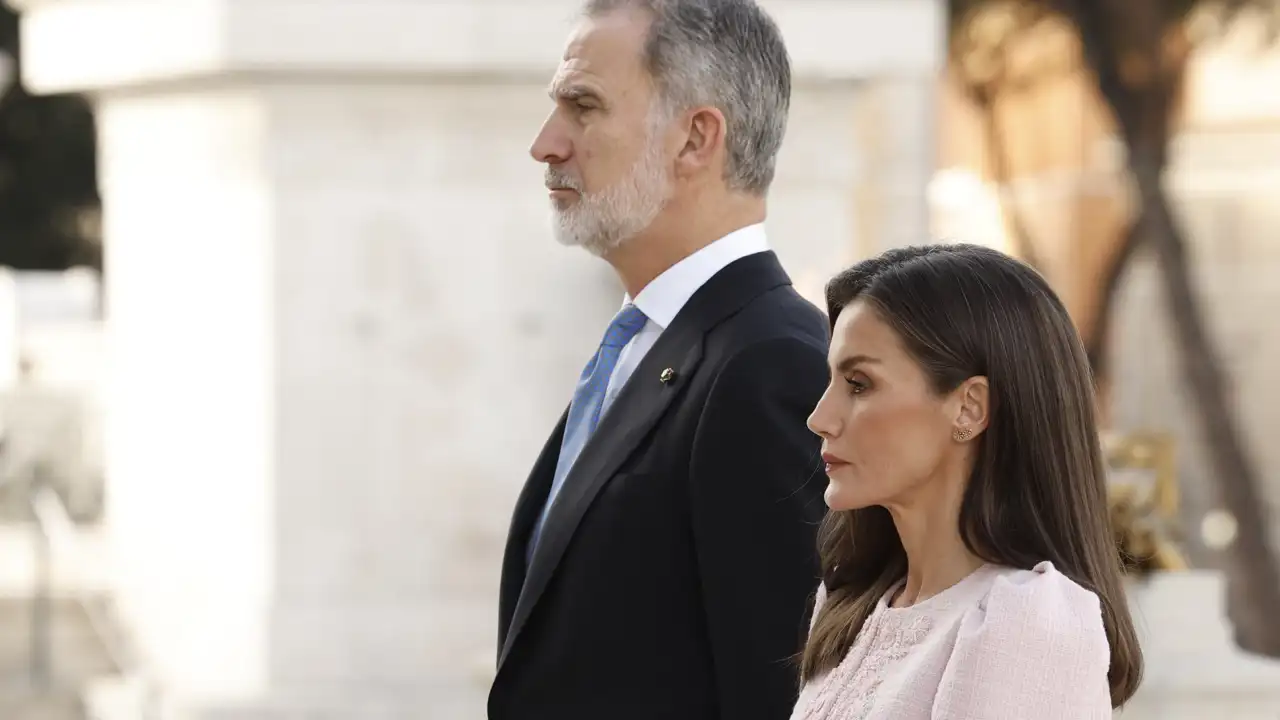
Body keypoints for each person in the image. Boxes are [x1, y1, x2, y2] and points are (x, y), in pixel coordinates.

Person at [488, 1, 829, 719]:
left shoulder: (770, 366)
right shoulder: (646, 344)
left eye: (582, 106)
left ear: (696, 138)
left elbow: (778, 694)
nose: (546, 143)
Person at [794, 244, 1144, 720]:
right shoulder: (850, 608)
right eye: (831, 381)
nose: (820, 418)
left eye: (859, 384)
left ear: (970, 407)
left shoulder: (1026, 624)